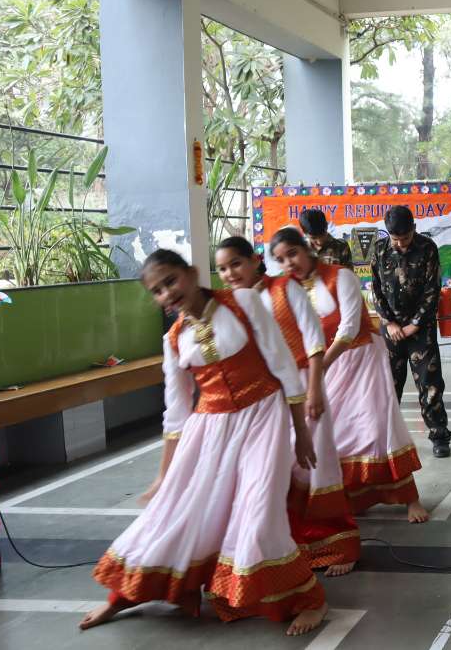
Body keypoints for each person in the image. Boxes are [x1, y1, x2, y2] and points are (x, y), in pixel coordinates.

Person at [82, 250, 327, 636]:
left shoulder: (243, 301)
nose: (167, 293)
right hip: (208, 431)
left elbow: (282, 366)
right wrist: (165, 476)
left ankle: (308, 599)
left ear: (193, 274)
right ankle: (123, 598)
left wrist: (302, 436)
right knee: (175, 516)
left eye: (171, 281)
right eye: (158, 290)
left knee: (260, 512)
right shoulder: (175, 339)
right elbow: (176, 415)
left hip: (264, 415)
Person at [214, 237, 360, 577]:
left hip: (304, 383)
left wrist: (314, 392)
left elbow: (314, 341)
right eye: (222, 268)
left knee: (316, 464)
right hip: (263, 395)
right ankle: (289, 545)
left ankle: (339, 545)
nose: (230, 273)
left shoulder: (285, 288)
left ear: (253, 261)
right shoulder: (230, 303)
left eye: (236, 263)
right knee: (275, 467)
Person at [271, 227, 429, 522]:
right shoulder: (287, 289)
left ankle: (411, 499)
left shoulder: (340, 276)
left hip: (362, 356)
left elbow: (349, 328)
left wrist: (322, 366)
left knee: (377, 426)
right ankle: (356, 495)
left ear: (306, 249)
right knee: (337, 431)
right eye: (281, 259)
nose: (289, 263)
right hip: (325, 365)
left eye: (292, 253)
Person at [370, 206, 451, 457]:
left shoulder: (427, 248)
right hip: (392, 332)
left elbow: (432, 290)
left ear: (414, 229)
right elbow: (375, 290)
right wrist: (390, 323)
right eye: (395, 239)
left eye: (404, 238)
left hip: (420, 331)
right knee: (388, 387)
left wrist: (414, 324)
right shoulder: (379, 250)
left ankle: (439, 435)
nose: (400, 244)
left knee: (430, 385)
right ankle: (386, 438)